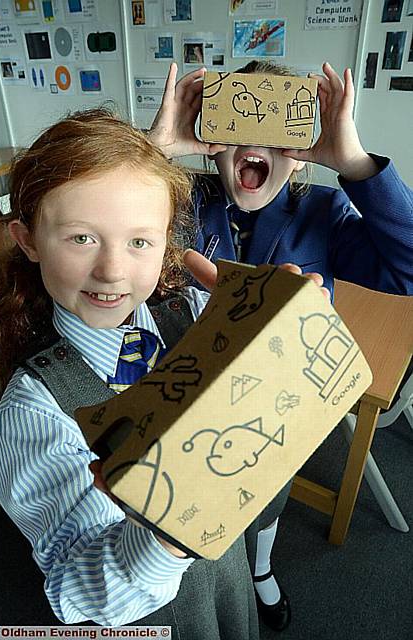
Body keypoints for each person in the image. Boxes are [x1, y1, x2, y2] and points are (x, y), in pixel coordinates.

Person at [0, 107, 327, 635]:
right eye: (81, 238)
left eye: (139, 241)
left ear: (166, 241)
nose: (113, 270)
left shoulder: (191, 312)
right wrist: (170, 523)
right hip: (149, 608)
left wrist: (278, 338)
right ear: (28, 240)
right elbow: (79, 587)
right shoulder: (35, 411)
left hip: (224, 570)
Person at [148, 59, 413, 631]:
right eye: (238, 123)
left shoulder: (323, 210)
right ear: (211, 140)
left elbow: (410, 268)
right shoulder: (171, 198)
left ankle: (262, 567)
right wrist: (158, 150)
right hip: (183, 387)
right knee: (184, 504)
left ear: (298, 150)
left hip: (278, 402)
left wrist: (357, 165)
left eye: (278, 131)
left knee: (267, 496)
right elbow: (105, 215)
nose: (256, 143)